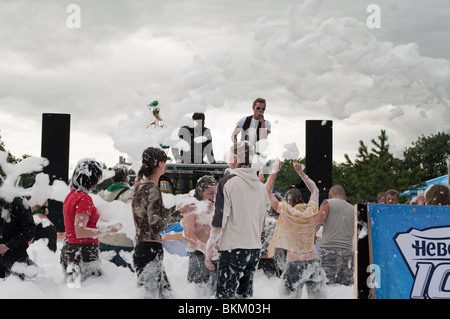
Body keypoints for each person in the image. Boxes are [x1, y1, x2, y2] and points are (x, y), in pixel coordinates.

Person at [205, 141, 270, 299]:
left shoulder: (228, 183)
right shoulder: (261, 188)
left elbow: (219, 222)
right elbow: (262, 221)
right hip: (254, 249)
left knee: (225, 298)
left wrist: (209, 250)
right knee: (245, 297)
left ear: (235, 158)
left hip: (233, 249)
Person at [132, 147, 195, 298]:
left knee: (163, 294)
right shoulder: (153, 189)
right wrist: (180, 213)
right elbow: (156, 225)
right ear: (160, 164)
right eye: (165, 162)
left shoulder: (140, 187)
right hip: (150, 250)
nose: (166, 165)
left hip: (143, 249)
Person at [266, 160, 327, 299]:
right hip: (313, 261)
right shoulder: (311, 209)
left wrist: (274, 171)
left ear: (288, 201)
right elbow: (315, 190)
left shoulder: (286, 210)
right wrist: (301, 173)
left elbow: (268, 191)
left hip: (295, 263)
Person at [60, 159, 122, 286]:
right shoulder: (84, 199)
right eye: (95, 180)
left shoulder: (71, 195)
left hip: (70, 250)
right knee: (91, 290)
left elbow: (76, 227)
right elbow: (81, 231)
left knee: (73, 290)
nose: (96, 185)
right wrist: (108, 229)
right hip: (84, 251)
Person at [181, 175, 217, 294]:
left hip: (216, 256)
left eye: (215, 193)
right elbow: (188, 235)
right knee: (199, 294)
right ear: (201, 192)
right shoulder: (192, 208)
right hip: (198, 256)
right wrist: (204, 249)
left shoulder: (217, 210)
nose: (214, 197)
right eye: (211, 193)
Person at [315, 185, 355, 286]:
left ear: (330, 194)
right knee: (344, 288)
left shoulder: (327, 203)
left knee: (325, 286)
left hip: (328, 250)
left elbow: (316, 224)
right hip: (347, 253)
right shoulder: (353, 208)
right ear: (345, 197)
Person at [98, 165, 135, 270]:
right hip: (124, 243)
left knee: (107, 280)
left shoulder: (102, 194)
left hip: (103, 242)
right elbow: (131, 211)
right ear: (127, 178)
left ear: (111, 178)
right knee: (124, 280)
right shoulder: (129, 194)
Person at [0, 176, 37, 279]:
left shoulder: (18, 202)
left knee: (18, 292)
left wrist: (7, 246)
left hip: (17, 261)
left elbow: (29, 230)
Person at [172, 113, 216, 193]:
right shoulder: (184, 130)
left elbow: (209, 150)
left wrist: (214, 165)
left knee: (199, 191)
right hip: (185, 164)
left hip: (199, 165)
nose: (197, 124)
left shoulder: (206, 131)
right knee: (184, 190)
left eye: (200, 122)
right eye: (195, 122)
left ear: (203, 121)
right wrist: (177, 158)